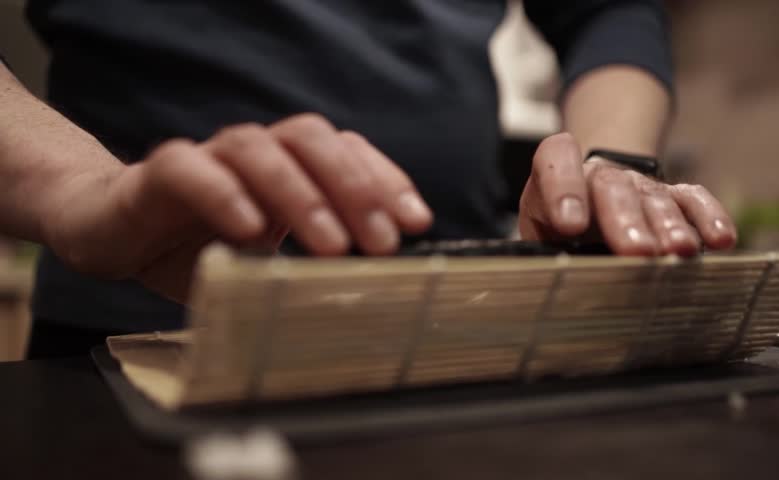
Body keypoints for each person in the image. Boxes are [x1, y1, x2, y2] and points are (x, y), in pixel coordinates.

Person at [0, 1, 736, 357]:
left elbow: (607, 11)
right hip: (142, 335)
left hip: (463, 327)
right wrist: (77, 188)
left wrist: (612, 164)